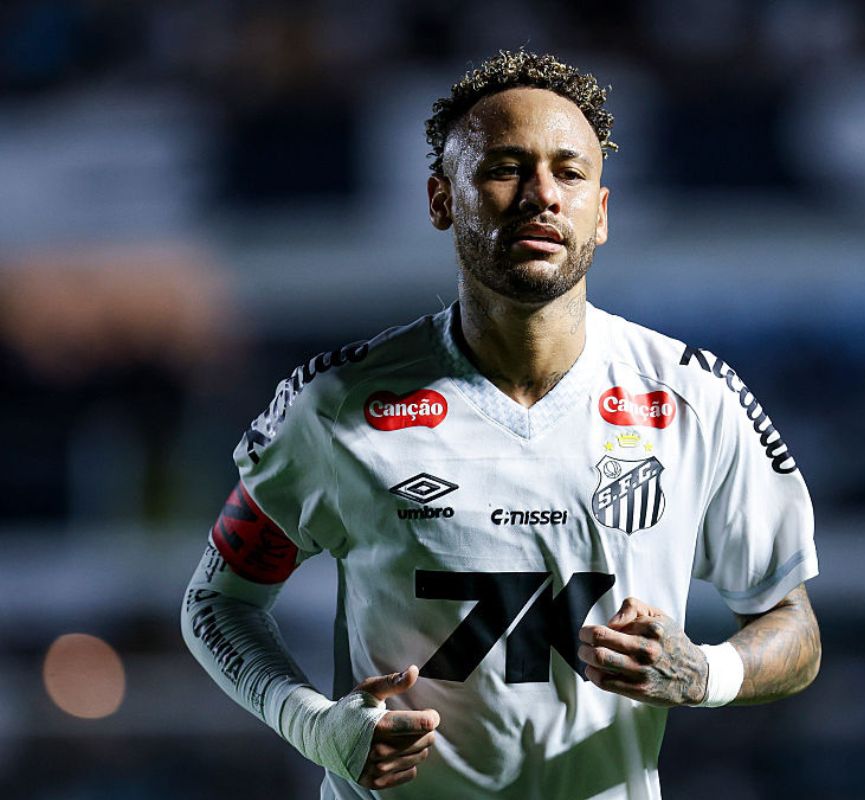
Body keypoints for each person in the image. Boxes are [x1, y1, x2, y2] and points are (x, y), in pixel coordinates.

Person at [181, 49, 821, 800]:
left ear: (601, 214)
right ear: (441, 200)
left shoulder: (693, 399)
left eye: (569, 173)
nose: (541, 195)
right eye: (506, 168)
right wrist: (313, 725)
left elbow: (793, 625)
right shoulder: (336, 405)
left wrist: (705, 672)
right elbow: (217, 602)